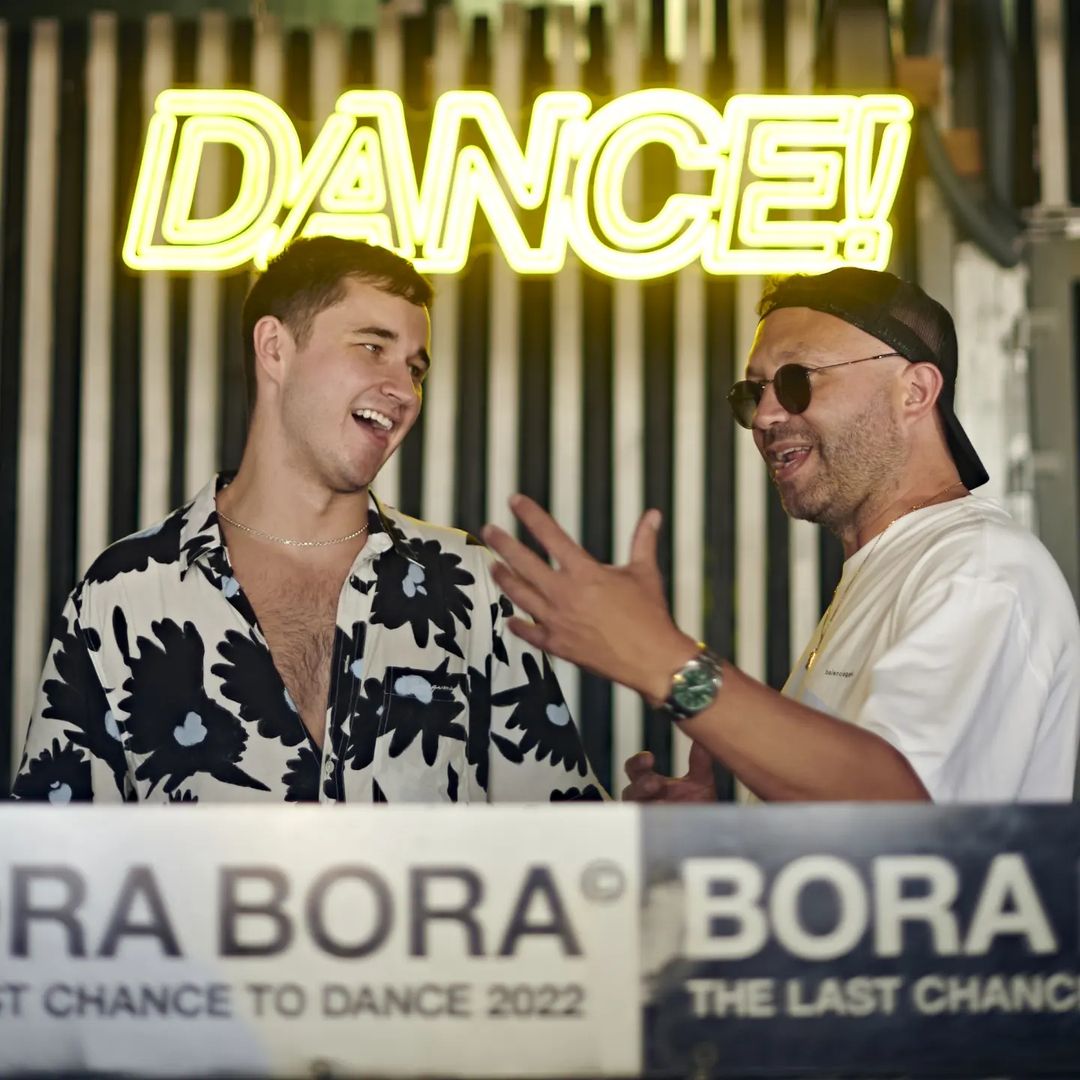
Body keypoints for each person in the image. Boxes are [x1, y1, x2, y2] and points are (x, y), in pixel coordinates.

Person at [13, 237, 602, 804]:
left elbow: (559, 833)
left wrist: (640, 823)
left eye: (415, 369)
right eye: (372, 348)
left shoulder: (470, 584)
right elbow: (55, 850)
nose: (403, 390)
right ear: (274, 348)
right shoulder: (124, 591)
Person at [482, 267, 1080, 803]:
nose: (765, 416)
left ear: (915, 392)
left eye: (797, 380)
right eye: (753, 393)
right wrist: (736, 836)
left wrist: (664, 662)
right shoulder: (892, 567)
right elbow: (863, 842)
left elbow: (897, 809)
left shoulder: (977, 568)